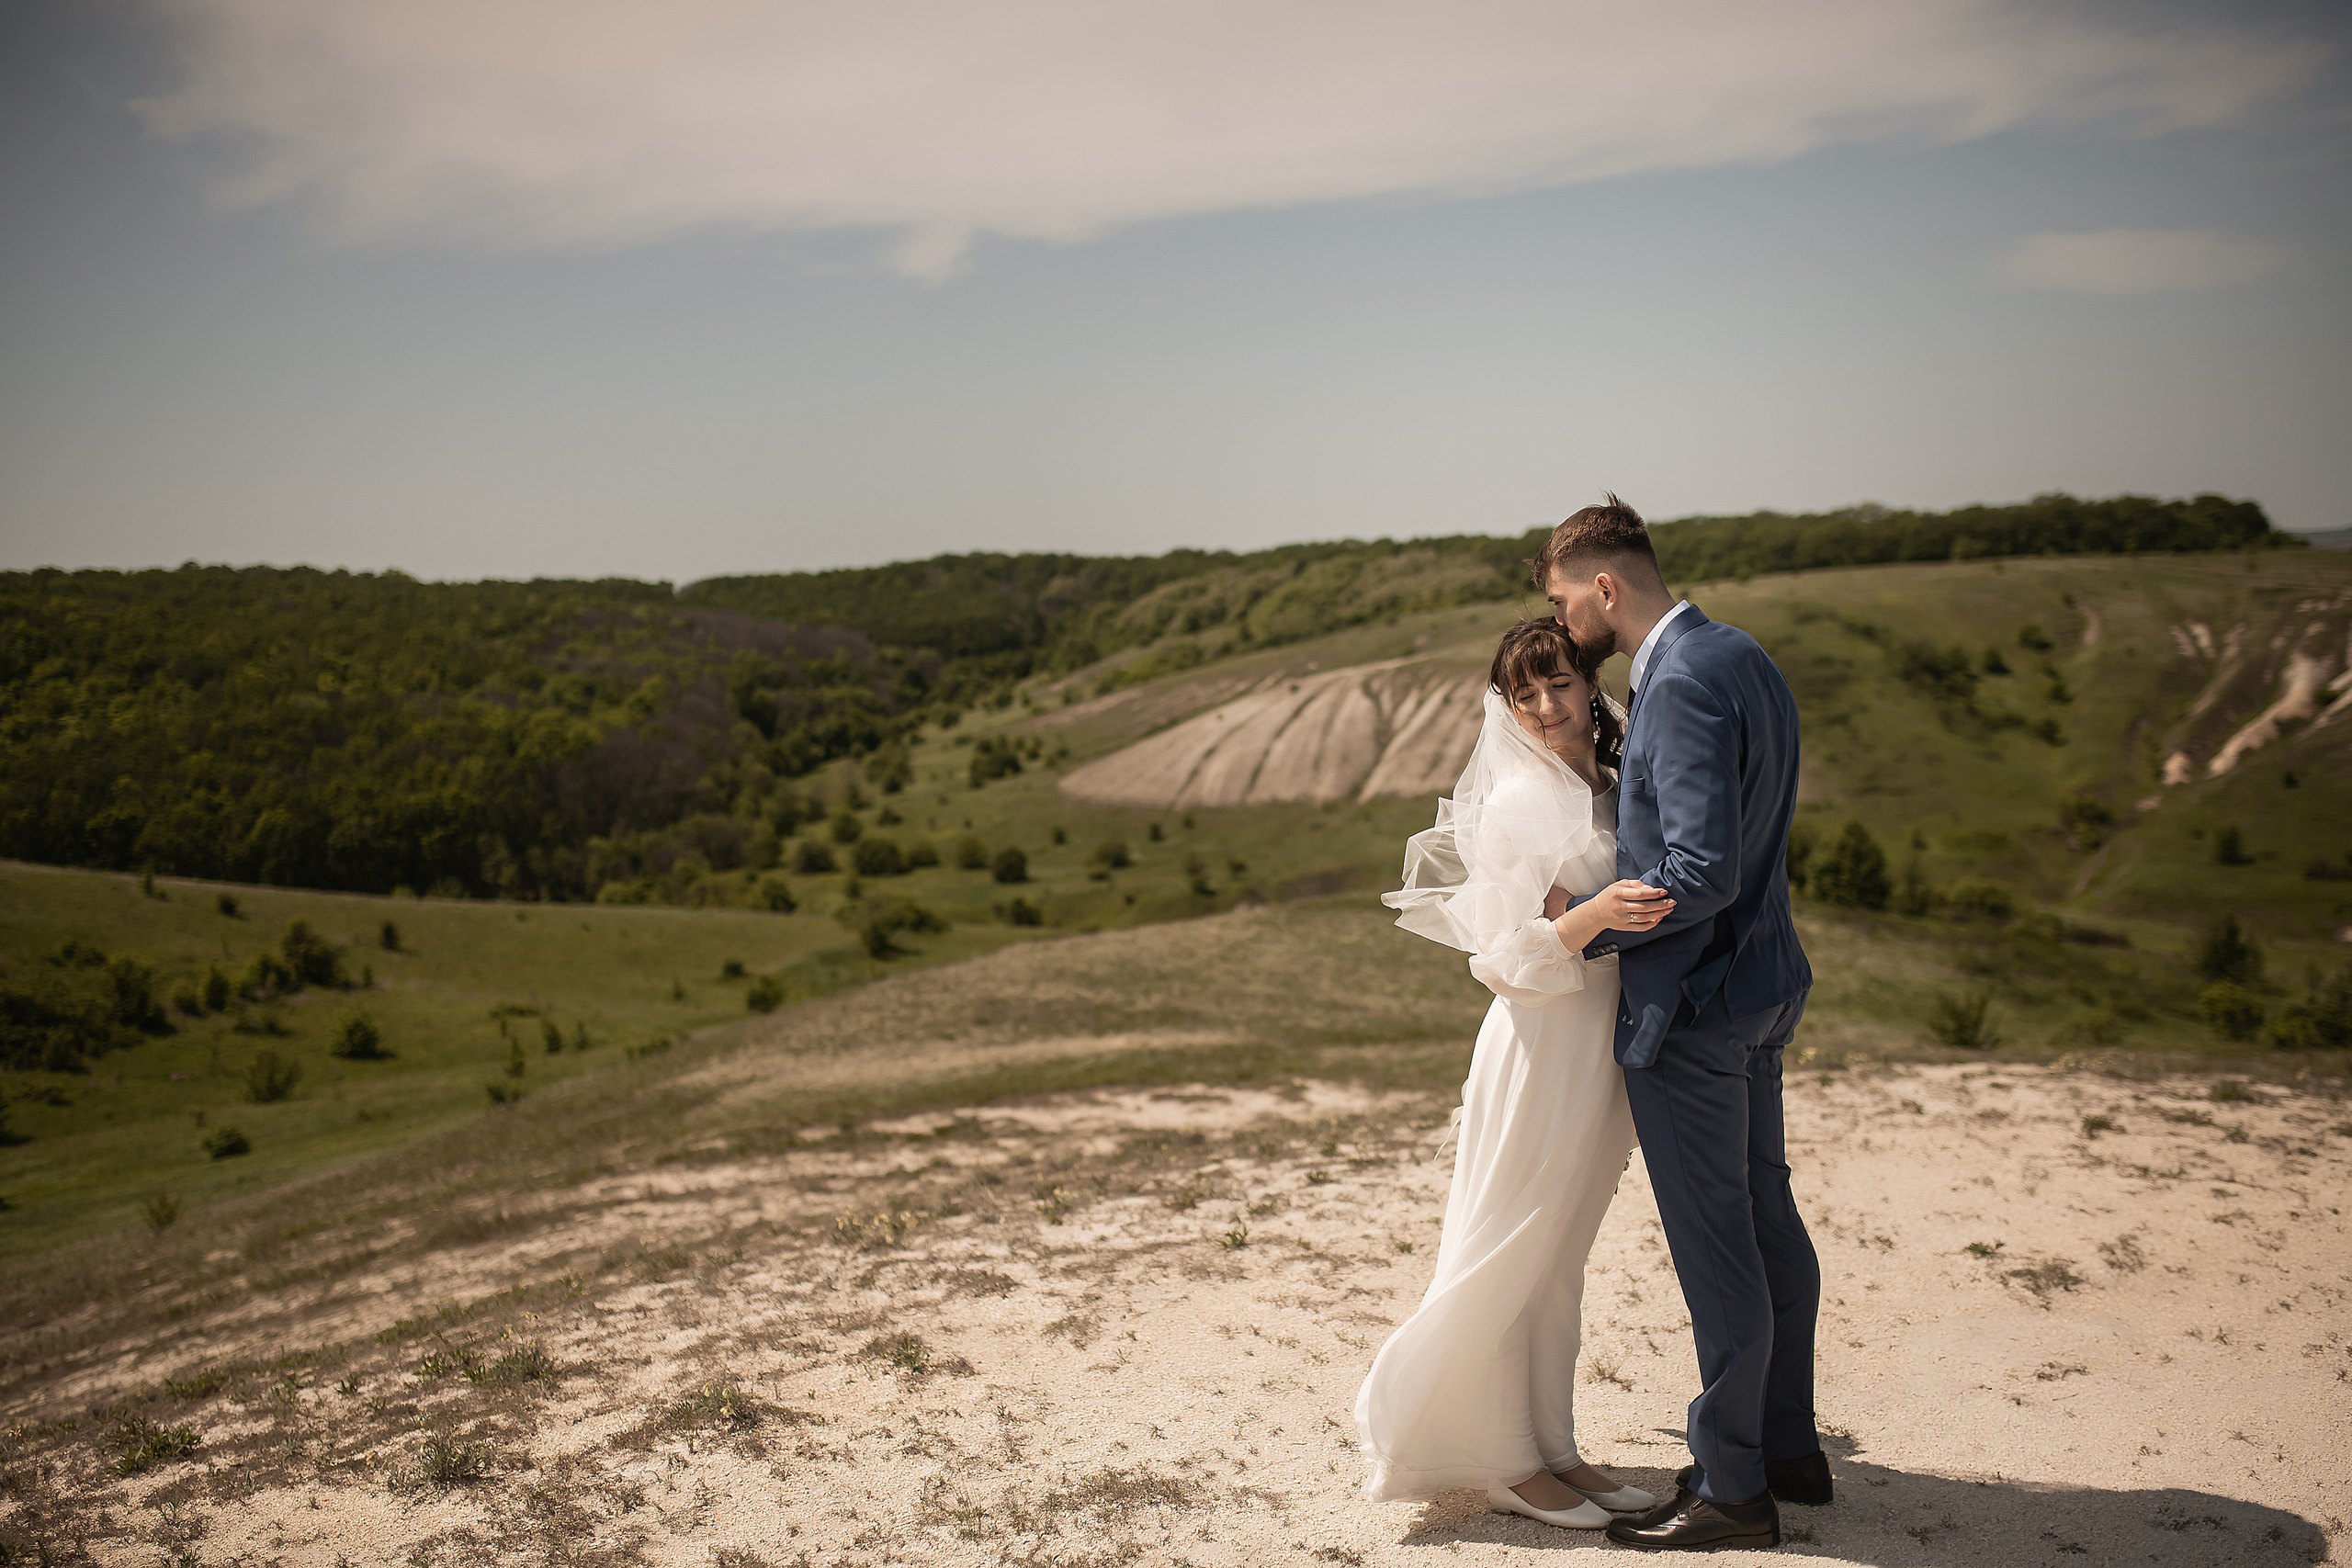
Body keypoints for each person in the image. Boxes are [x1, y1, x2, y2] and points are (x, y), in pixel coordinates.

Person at [1536, 494, 1826, 1553]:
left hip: (1698, 1002)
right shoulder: (1738, 651)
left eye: (1569, 601)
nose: (1566, 625)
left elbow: (1698, 869)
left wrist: (1585, 927)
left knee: (1721, 1252)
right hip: (1760, 983)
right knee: (1764, 1219)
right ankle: (1787, 1445)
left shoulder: (1684, 680)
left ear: (1605, 586)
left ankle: (1735, 1488)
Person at [1355, 616, 1673, 1530]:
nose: (1544, 706)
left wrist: (1591, 909)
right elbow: (1499, 960)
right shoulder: (1516, 805)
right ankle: (1502, 1461)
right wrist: (1592, 915)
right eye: (1524, 693)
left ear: (1588, 684)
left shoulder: (1607, 785)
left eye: (1559, 683)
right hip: (1536, 1046)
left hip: (1598, 1052)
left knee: (1559, 1260)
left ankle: (1553, 1445)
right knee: (1508, 1248)